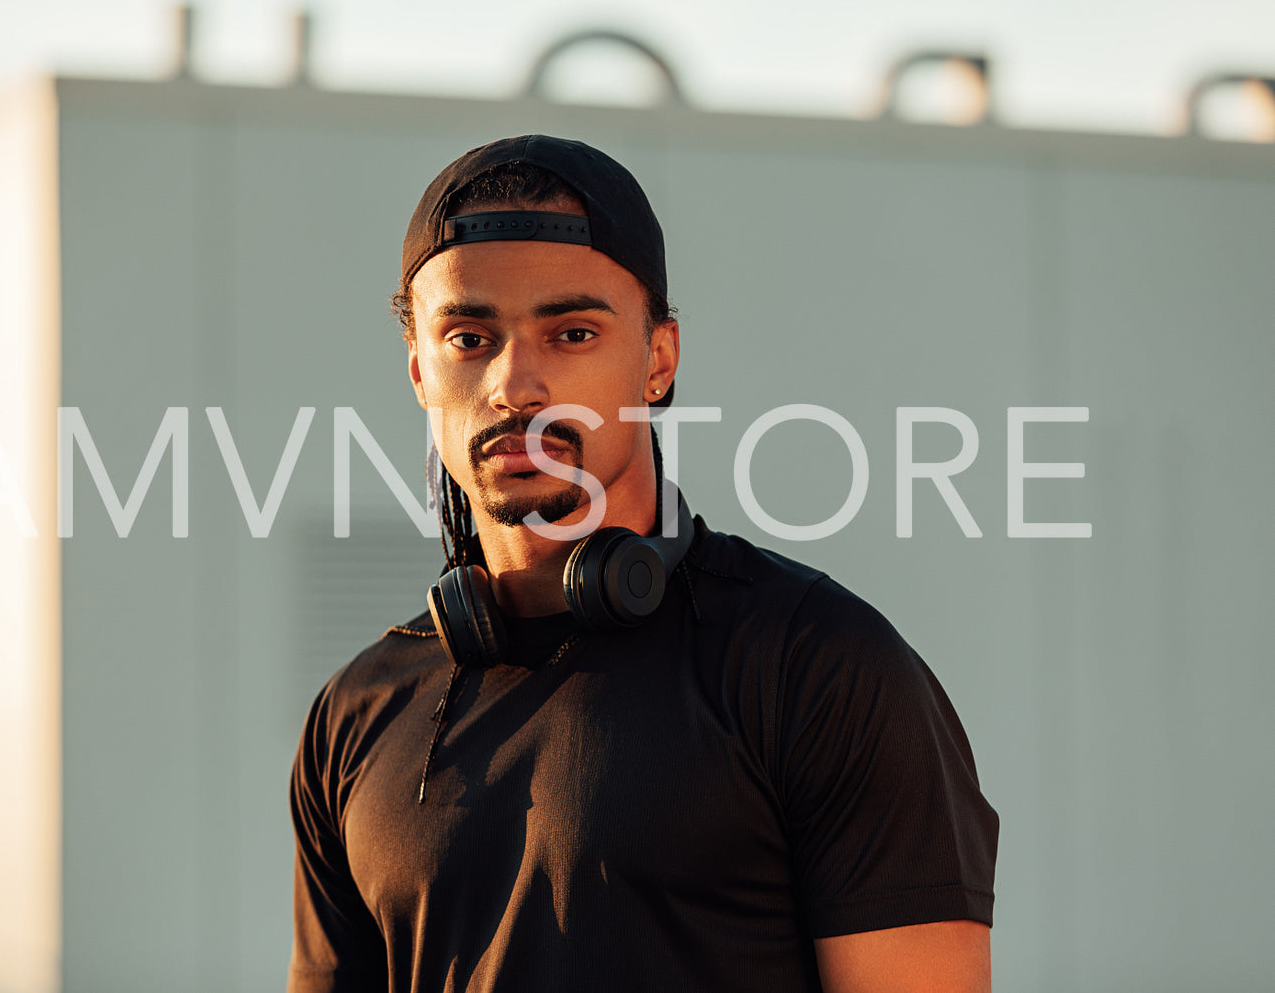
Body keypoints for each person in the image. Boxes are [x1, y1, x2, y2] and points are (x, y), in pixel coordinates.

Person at [288, 134, 999, 992]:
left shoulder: (815, 666)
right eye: (469, 337)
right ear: (418, 371)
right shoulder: (355, 716)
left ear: (656, 360)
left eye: (572, 330)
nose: (515, 381)